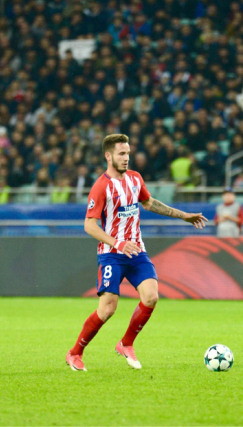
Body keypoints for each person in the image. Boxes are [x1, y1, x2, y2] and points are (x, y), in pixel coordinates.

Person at [66, 134, 207, 372]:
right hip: (112, 253)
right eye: (121, 154)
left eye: (128, 153)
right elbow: (89, 225)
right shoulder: (101, 186)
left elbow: (150, 203)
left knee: (151, 297)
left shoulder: (135, 178)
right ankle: (75, 352)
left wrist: (183, 215)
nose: (126, 158)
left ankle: (126, 343)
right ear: (108, 156)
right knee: (108, 308)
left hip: (137, 251)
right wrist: (117, 243)